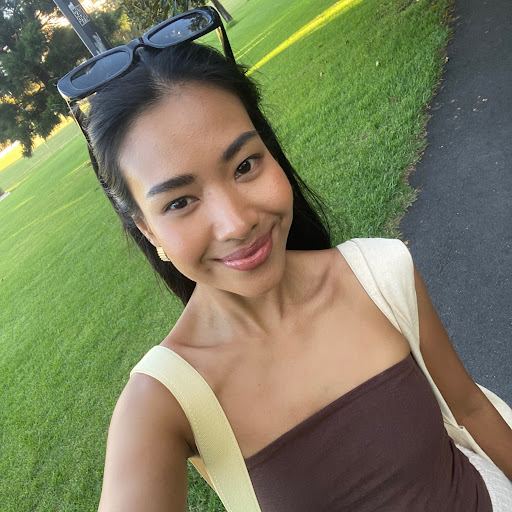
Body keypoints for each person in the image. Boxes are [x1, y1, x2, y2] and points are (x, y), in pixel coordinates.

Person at [58, 7, 512, 512]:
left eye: (245, 165)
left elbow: (470, 409)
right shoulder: (163, 403)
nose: (236, 223)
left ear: (272, 154)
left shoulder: (381, 275)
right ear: (147, 228)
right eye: (180, 202)